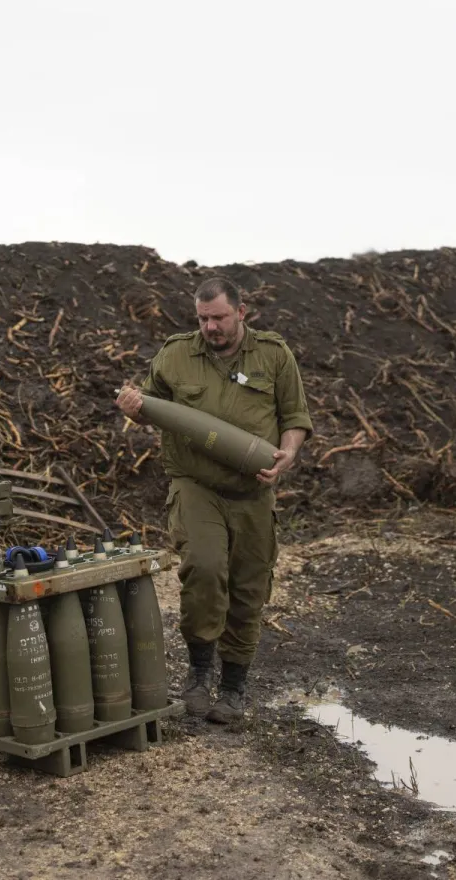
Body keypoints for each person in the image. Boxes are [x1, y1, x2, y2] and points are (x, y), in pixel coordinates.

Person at [115, 277, 312, 724]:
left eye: (219, 318)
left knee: (248, 589)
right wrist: (135, 407)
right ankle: (200, 674)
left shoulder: (273, 355)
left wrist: (287, 455)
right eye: (203, 319)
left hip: (252, 490)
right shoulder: (175, 355)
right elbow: (154, 409)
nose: (210, 327)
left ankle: (234, 687)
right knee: (203, 570)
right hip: (195, 485)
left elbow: (295, 417)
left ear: (242, 312)